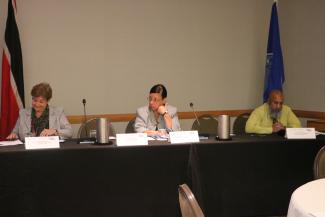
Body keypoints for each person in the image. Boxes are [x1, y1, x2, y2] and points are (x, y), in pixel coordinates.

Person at [6, 82, 72, 141]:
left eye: (41, 101)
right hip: (28, 151)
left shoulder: (58, 112)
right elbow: (15, 132)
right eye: (35, 100)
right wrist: (13, 135)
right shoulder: (23, 113)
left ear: (47, 101)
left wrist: (55, 131)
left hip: (51, 151)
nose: (37, 104)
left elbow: (69, 132)